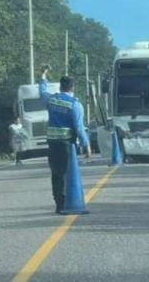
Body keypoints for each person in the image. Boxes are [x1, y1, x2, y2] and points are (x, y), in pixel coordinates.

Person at [38, 66, 91, 214]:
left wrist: (43, 75)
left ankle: (59, 203)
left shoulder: (51, 100)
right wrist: (86, 145)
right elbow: (79, 127)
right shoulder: (75, 104)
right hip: (67, 143)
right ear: (72, 87)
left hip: (52, 142)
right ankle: (69, 201)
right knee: (68, 172)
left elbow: (42, 92)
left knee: (56, 173)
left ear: (60, 86)